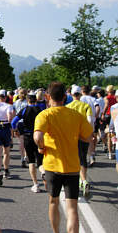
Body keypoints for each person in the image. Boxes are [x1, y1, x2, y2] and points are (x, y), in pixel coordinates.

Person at [34, 82, 93, 233]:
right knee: (72, 207)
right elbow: (88, 137)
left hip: (52, 166)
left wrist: (41, 147)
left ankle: (56, 232)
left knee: (53, 202)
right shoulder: (76, 116)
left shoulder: (44, 115)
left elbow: (37, 136)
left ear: (48, 96)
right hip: (72, 166)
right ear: (65, 97)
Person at [11, 92, 44, 193]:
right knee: (41, 160)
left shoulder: (24, 110)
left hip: (27, 136)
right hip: (39, 135)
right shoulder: (40, 109)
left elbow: (13, 122)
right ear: (36, 100)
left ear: (27, 100)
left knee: (31, 161)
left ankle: (36, 184)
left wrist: (15, 130)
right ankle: (43, 172)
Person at [66, 85, 93, 197]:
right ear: (80, 94)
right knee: (83, 158)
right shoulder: (86, 106)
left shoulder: (68, 106)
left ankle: (76, 181)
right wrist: (90, 134)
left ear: (72, 95)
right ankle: (84, 180)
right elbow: (90, 121)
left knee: (72, 159)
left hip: (71, 136)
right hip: (83, 135)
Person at [80, 85, 99, 166]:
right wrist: (95, 116)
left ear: (82, 91)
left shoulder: (80, 99)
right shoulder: (93, 99)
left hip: (82, 121)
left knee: (81, 140)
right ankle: (91, 156)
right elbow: (97, 107)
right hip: (91, 120)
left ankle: (82, 157)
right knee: (90, 139)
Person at [13, 88, 28, 167]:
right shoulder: (27, 103)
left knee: (21, 142)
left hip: (18, 122)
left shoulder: (15, 103)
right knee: (27, 141)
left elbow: (14, 113)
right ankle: (26, 156)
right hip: (26, 122)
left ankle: (22, 158)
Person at [102, 85, 117, 159]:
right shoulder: (115, 97)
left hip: (109, 115)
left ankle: (110, 152)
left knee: (109, 133)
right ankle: (114, 146)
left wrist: (103, 114)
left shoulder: (106, 97)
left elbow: (106, 105)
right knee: (114, 133)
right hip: (115, 114)